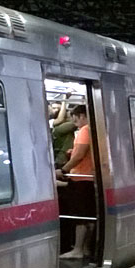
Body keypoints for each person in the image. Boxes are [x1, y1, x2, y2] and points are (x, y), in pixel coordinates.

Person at [57, 105, 95, 259]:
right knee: (89, 215)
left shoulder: (85, 130)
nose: (75, 123)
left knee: (80, 216)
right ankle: (85, 248)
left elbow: (79, 155)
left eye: (75, 119)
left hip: (80, 178)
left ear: (82, 116)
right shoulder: (93, 129)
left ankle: (77, 249)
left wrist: (63, 170)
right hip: (88, 177)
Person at [49, 102, 77, 167]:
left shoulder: (66, 129)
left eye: (58, 109)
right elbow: (60, 119)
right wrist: (64, 100)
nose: (56, 110)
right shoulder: (56, 128)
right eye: (54, 108)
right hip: (61, 158)